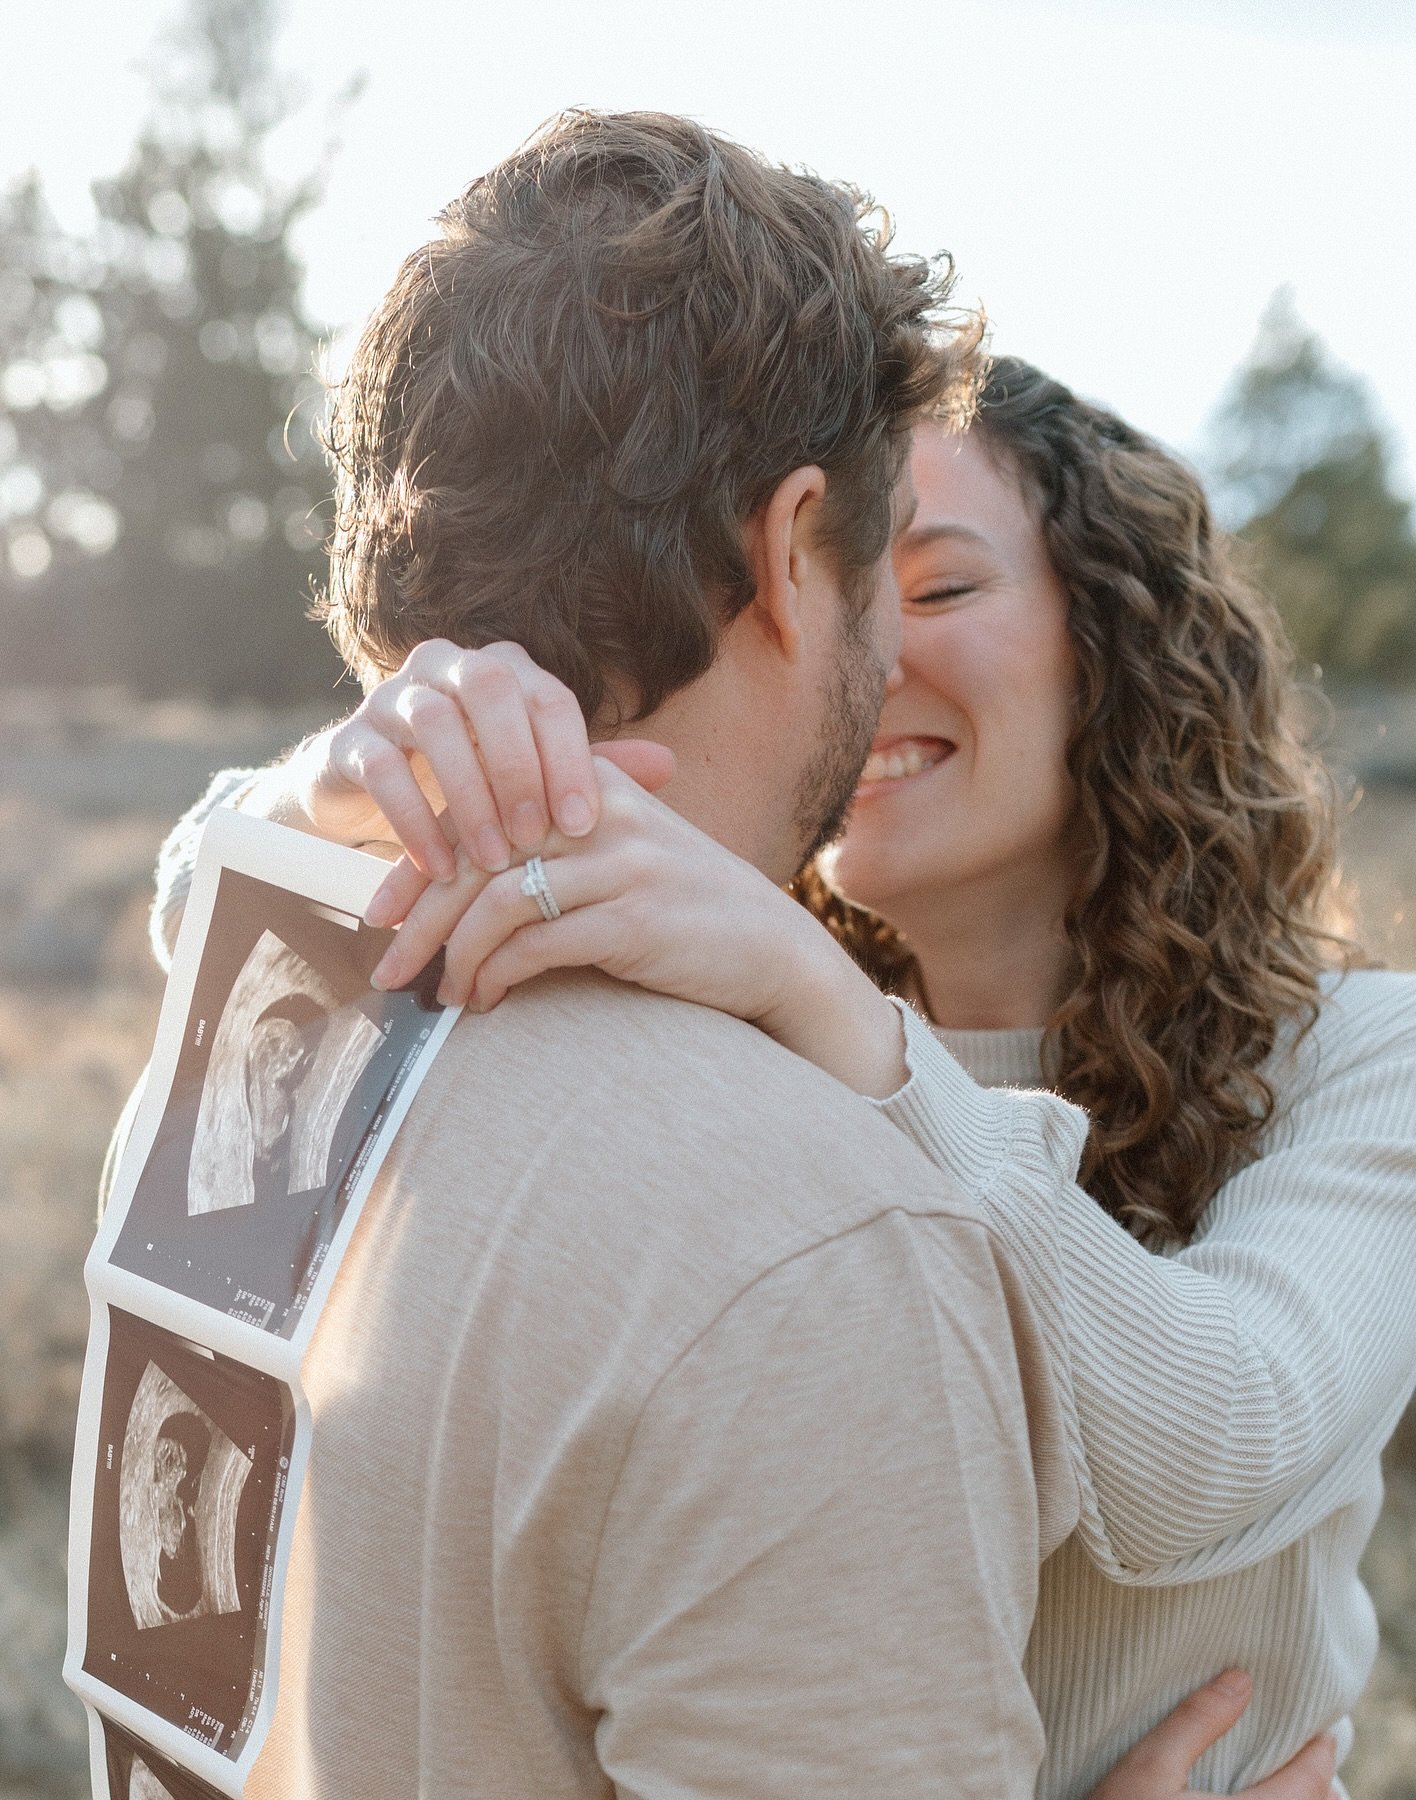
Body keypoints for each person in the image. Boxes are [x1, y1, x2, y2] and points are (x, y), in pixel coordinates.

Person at [136, 110, 1354, 1800]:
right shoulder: (819, 1234)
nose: (899, 654)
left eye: (959, 588)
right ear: (796, 554)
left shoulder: (254, 1034)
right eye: (885, 572)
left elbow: (1241, 1421)